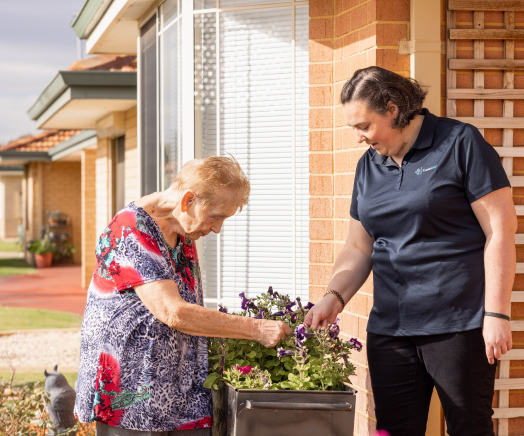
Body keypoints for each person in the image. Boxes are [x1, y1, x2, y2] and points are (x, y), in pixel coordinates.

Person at [304, 66, 516, 436]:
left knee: (470, 428)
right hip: (391, 329)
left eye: (363, 126)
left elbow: (500, 230)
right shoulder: (369, 166)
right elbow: (359, 245)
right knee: (394, 430)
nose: (358, 137)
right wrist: (333, 297)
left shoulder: (460, 143)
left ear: (391, 108)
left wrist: (497, 312)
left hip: (459, 325)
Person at [74, 155, 291, 435]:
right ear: (187, 200)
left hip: (183, 394)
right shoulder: (130, 230)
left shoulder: (182, 230)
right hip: (132, 398)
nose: (217, 228)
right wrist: (257, 329)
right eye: (216, 216)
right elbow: (173, 312)